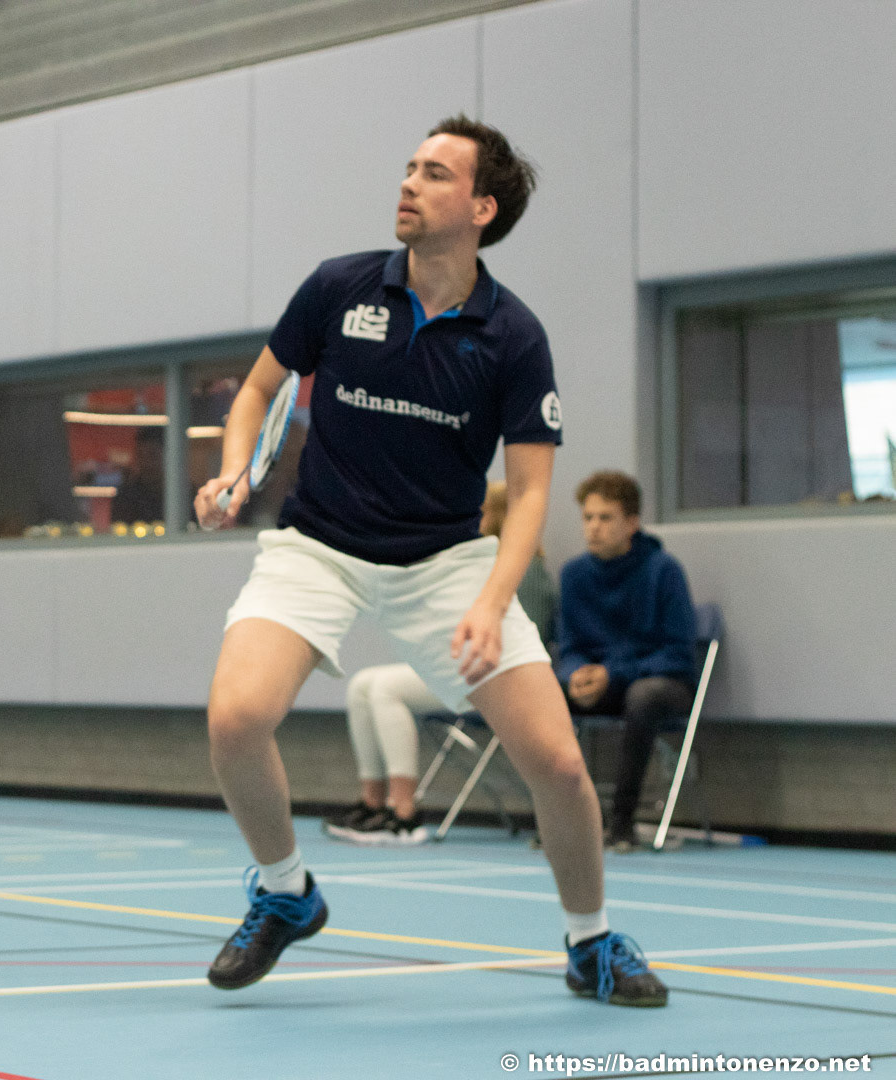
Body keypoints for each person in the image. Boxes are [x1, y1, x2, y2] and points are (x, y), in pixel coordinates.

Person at [193, 115, 666, 1006]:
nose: (409, 182)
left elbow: (530, 492)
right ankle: (286, 892)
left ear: (482, 208)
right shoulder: (338, 287)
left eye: (436, 173)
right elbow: (256, 391)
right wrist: (232, 471)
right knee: (236, 717)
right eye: (410, 166)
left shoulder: (513, 335)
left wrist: (491, 600)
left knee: (560, 764)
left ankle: (591, 942)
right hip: (320, 545)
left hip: (446, 559)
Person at [322, 480, 558, 844]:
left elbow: (527, 640)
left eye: (481, 511)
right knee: (362, 684)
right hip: (457, 668)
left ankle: (404, 813)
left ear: (497, 517)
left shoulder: (525, 572)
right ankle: (373, 803)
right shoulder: (469, 566)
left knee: (385, 689)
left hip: (490, 679)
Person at [556, 470, 697, 853]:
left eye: (605, 518)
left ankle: (621, 823)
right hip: (598, 684)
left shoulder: (664, 571)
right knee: (545, 693)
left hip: (660, 682)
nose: (594, 527)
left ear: (632, 523)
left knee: (643, 696)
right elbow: (568, 647)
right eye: (588, 517)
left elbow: (677, 653)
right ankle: (564, 819)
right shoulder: (573, 575)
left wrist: (613, 674)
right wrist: (574, 675)